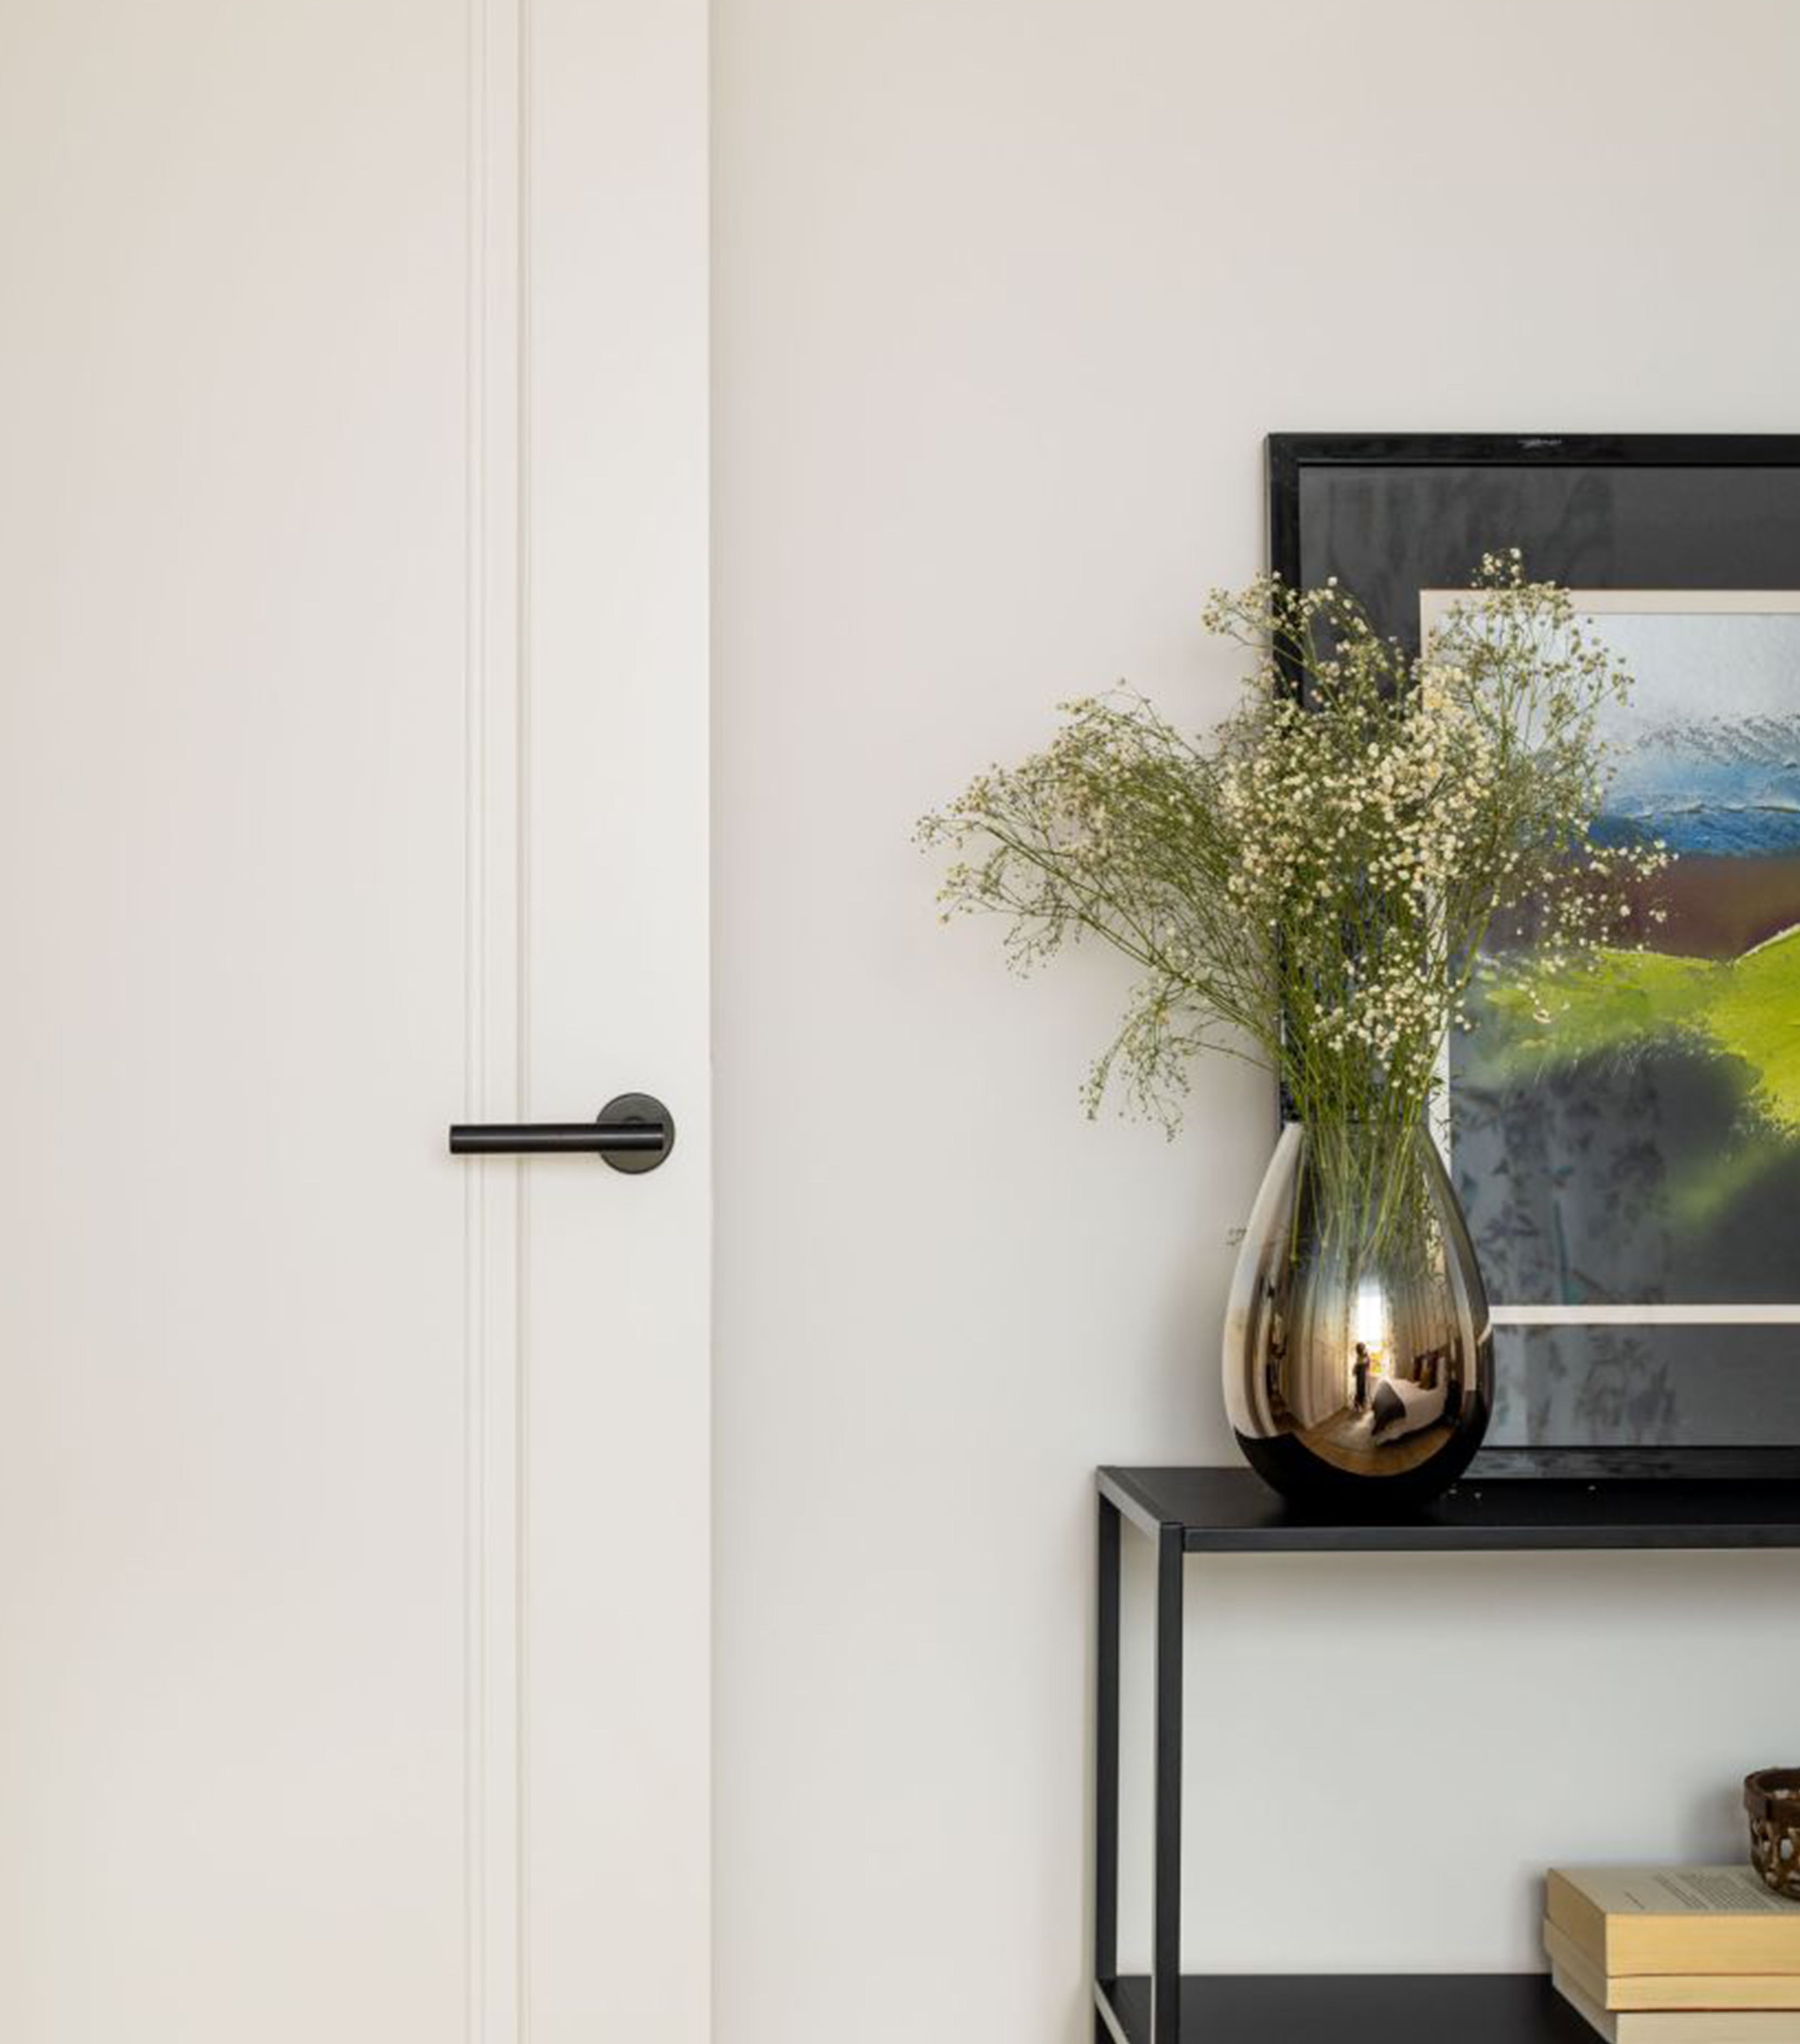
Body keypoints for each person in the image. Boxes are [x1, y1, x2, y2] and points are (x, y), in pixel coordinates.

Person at [1352, 1341, 1372, 1414]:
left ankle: (1361, 1403)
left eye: (1362, 1348)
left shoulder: (1365, 1355)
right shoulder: (1360, 1356)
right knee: (1359, 1387)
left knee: (1362, 1387)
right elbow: (1357, 1364)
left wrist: (1368, 1364)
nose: (1361, 1350)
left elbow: (1368, 1363)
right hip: (1360, 1370)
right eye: (1360, 1348)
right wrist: (1355, 1369)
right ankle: (1359, 1404)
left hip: (1363, 1370)